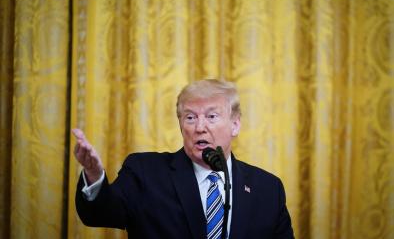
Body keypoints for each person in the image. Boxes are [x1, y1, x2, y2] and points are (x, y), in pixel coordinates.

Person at [73, 79, 294, 238]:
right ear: (180, 125)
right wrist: (94, 176)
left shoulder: (268, 188)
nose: (199, 127)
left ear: (235, 124)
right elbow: (100, 214)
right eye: (190, 117)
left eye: (211, 116)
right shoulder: (145, 172)